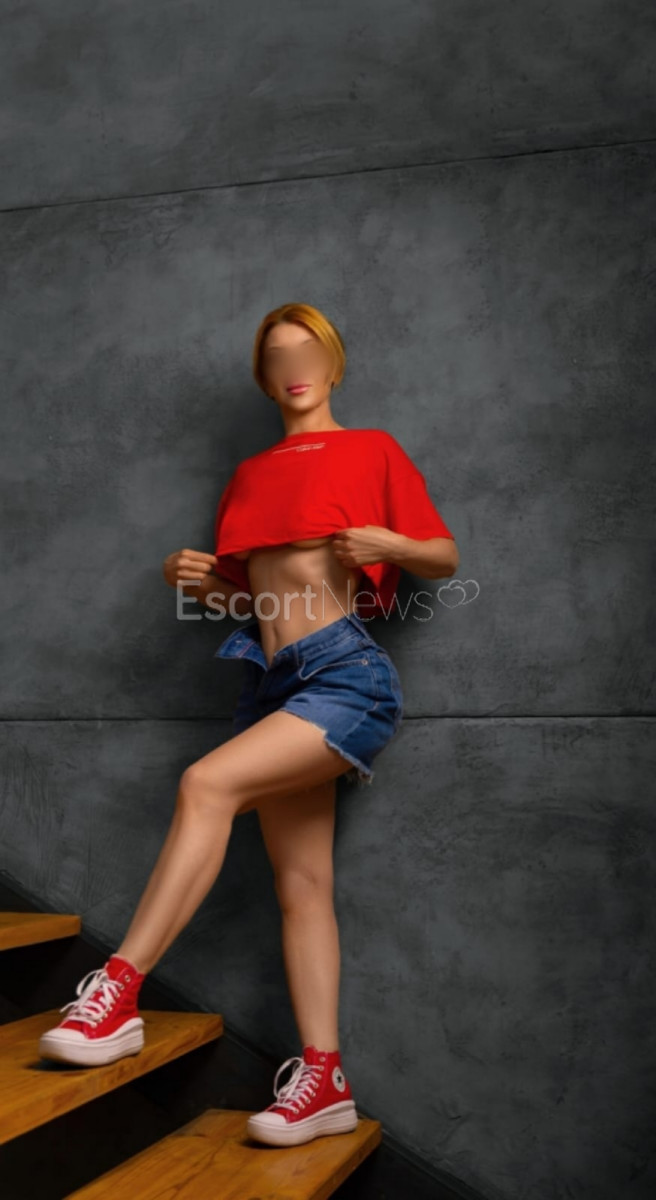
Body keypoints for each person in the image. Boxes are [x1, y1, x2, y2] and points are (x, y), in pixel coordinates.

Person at [38, 303, 459, 1147]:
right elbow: (260, 603)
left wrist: (389, 544)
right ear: (264, 377)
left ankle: (117, 993)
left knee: (207, 783)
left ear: (333, 363)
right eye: (278, 357)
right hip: (269, 682)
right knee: (301, 886)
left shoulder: (372, 449)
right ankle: (325, 1080)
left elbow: (443, 557)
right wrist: (197, 584)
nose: (295, 367)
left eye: (308, 352)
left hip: (345, 675)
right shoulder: (250, 474)